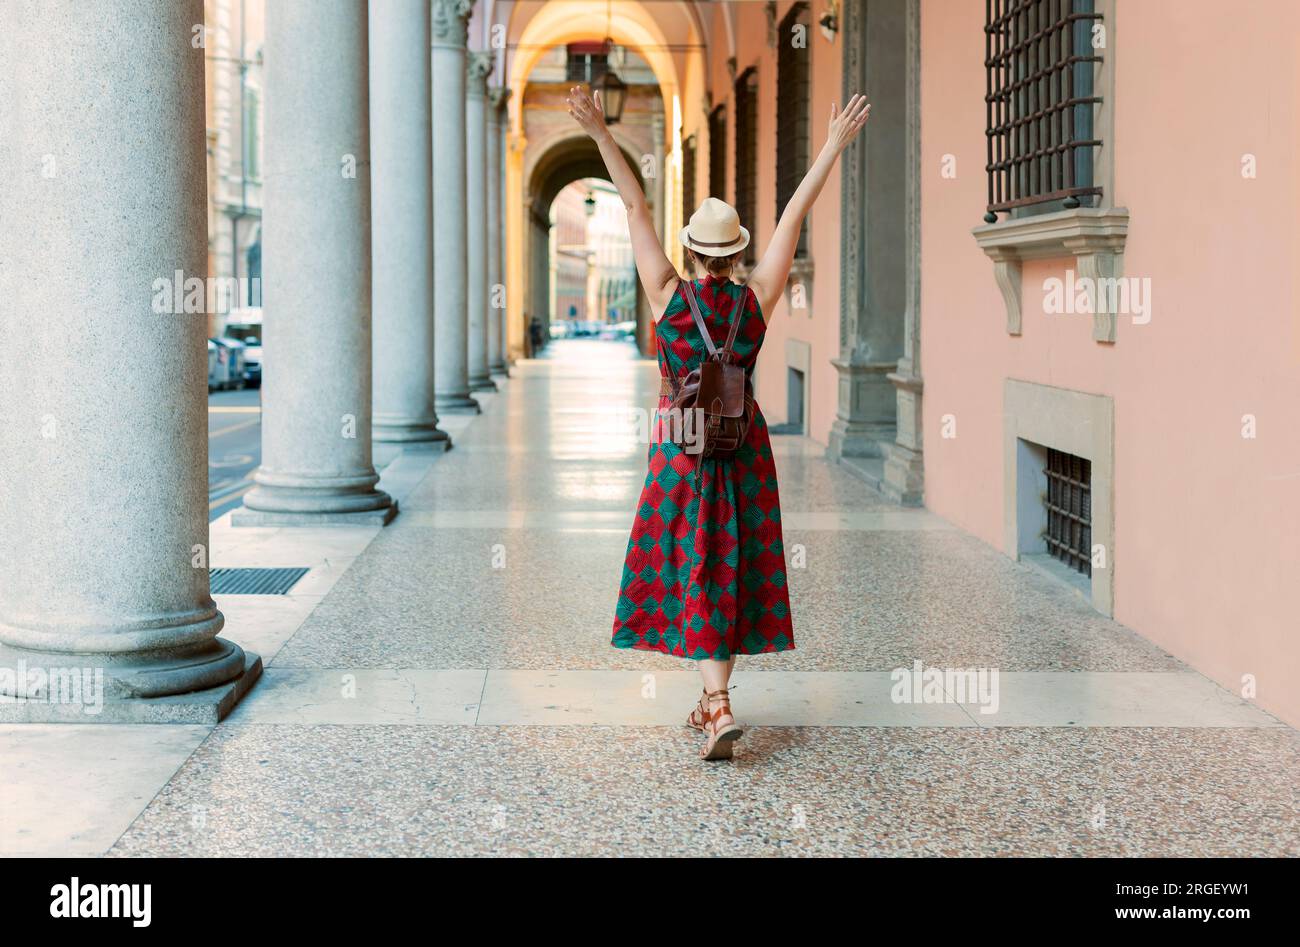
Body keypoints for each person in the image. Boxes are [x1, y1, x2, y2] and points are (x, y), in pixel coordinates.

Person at [567, 85, 871, 760]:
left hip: (681, 450)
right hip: (743, 449)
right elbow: (794, 213)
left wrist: (598, 133)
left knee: (691, 563)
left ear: (693, 252)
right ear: (735, 253)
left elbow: (634, 204)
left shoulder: (667, 295)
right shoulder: (757, 298)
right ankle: (712, 699)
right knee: (726, 564)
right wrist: (830, 146)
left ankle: (719, 704)